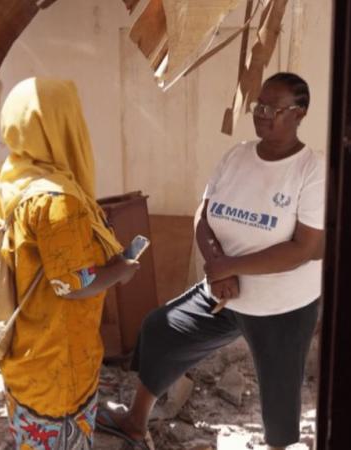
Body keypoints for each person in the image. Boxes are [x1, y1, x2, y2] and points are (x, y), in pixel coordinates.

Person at [96, 72, 325, 450]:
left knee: (279, 392)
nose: (263, 114)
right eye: (259, 105)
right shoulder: (237, 155)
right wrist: (218, 266)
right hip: (224, 292)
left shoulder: (310, 169)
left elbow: (302, 248)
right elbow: (203, 213)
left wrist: (229, 268)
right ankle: (135, 422)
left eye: (274, 108)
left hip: (282, 305)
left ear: (299, 113)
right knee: (161, 330)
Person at [0, 78, 140, 449]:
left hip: (27, 349)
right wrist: (119, 271)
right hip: (59, 361)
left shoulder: (12, 179)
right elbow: (72, 285)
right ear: (63, 124)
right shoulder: (58, 201)